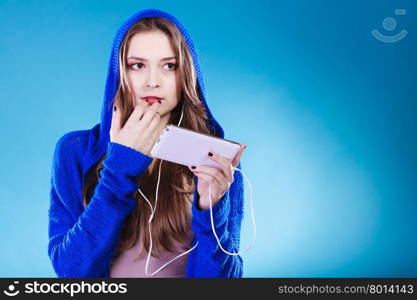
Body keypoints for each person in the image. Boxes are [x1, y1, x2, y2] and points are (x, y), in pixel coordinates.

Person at [48, 8, 246, 278]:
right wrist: (119, 167)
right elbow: (71, 274)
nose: (153, 82)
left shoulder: (215, 158)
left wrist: (211, 210)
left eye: (169, 66)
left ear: (185, 75)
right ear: (119, 74)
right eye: (137, 65)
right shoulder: (75, 151)